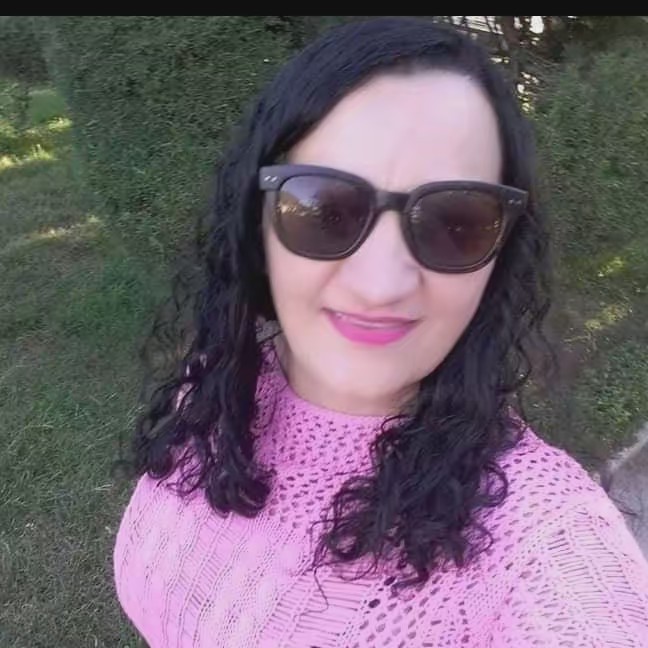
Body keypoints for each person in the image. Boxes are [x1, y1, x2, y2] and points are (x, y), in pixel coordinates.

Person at [113, 17, 648, 647]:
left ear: (500, 257)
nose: (381, 285)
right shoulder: (216, 393)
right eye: (325, 209)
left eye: (456, 222)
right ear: (258, 222)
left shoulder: (542, 541)